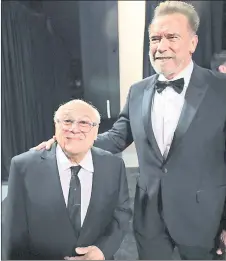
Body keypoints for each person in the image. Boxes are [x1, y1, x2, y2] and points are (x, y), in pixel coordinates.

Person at [33, 1, 226, 260]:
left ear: (192, 43)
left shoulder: (220, 88)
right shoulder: (138, 91)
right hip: (150, 221)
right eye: (155, 38)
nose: (161, 46)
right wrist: (69, 142)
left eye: (172, 37)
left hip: (205, 221)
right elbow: (116, 138)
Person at [4, 100, 132, 260]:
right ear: (56, 126)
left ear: (96, 130)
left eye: (84, 122)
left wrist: (103, 251)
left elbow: (121, 214)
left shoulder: (113, 165)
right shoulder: (24, 166)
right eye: (67, 121)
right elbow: (14, 232)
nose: (74, 129)